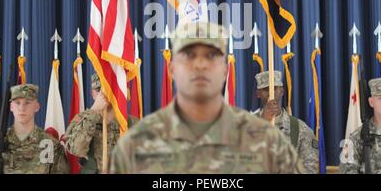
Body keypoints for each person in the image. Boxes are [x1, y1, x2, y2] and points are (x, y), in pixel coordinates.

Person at [110, 21, 303, 173]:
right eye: (189, 56)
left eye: (211, 56)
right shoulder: (136, 144)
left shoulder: (268, 141)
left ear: (225, 70)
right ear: (172, 69)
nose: (200, 65)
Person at [0, 84, 69, 174]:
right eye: (17, 103)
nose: (22, 108)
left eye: (27, 103)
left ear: (37, 107)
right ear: (11, 107)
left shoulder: (52, 147)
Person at [64, 73, 139, 173]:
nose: (104, 94)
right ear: (93, 94)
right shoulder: (81, 119)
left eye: (109, 89)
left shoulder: (133, 123)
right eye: (99, 90)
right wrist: (93, 111)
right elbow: (77, 150)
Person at [252, 70, 318, 173]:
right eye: (266, 89)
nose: (271, 93)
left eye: (274, 88)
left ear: (282, 91)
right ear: (258, 94)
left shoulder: (299, 129)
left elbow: (309, 168)